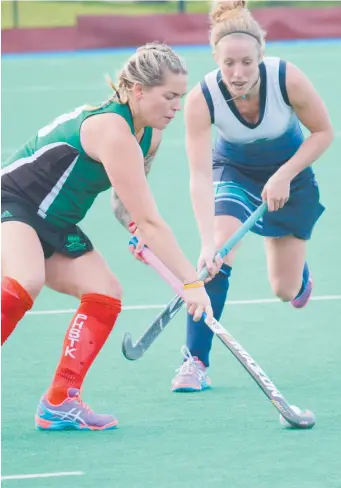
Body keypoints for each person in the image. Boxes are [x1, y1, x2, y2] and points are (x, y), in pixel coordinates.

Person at [1, 42, 213, 431]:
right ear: (136, 90)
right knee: (26, 279)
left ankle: (60, 402)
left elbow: (126, 207)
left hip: (56, 222)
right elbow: (151, 220)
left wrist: (136, 230)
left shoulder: (148, 135)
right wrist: (191, 280)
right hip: (13, 201)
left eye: (180, 98)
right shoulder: (113, 130)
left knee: (105, 293)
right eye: (168, 96)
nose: (176, 107)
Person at [170, 0, 334, 392]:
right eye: (228, 63)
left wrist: (284, 174)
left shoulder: (286, 78)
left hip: (290, 175)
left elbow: (324, 132)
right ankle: (195, 361)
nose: (238, 73)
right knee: (217, 259)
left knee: (284, 289)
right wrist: (209, 242)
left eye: (246, 62)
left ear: (261, 54)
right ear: (215, 58)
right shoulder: (201, 98)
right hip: (235, 172)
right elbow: (198, 174)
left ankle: (300, 277)